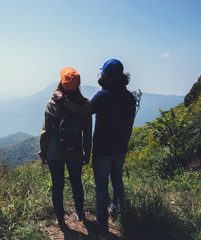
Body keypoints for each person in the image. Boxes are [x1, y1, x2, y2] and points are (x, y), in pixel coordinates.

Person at [53, 59, 137, 233]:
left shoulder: (103, 95)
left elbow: (84, 112)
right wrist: (125, 144)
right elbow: (129, 124)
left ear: (104, 75)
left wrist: (63, 101)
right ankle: (116, 210)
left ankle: (101, 223)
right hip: (120, 148)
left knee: (101, 187)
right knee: (117, 181)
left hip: (103, 148)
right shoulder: (129, 97)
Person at [39, 67, 92, 228]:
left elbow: (46, 132)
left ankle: (60, 217)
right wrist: (87, 153)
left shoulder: (52, 104)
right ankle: (80, 212)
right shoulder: (84, 106)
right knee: (76, 182)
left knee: (57, 185)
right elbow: (88, 133)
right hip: (75, 152)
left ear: (61, 83)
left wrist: (42, 152)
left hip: (55, 153)